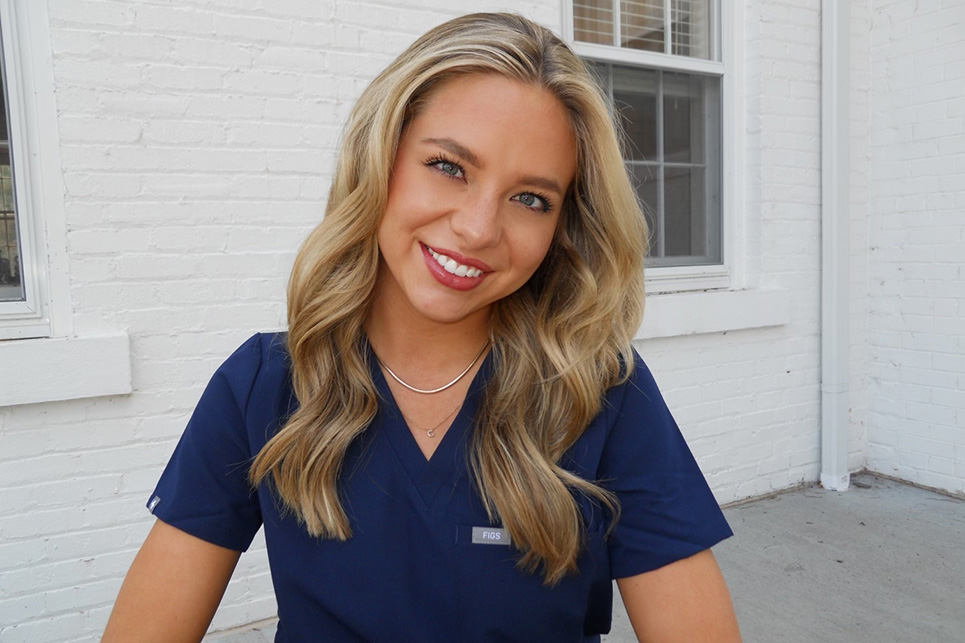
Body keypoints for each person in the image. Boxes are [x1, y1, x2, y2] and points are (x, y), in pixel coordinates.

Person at [104, 12, 741, 643]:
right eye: (448, 166)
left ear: (562, 229)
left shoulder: (601, 394)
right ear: (380, 158)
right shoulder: (265, 385)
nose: (478, 228)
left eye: (530, 199)